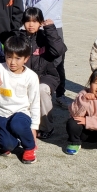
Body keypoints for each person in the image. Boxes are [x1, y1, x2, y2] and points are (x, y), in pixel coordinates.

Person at [20, 0, 83, 107]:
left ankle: (59, 93)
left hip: (55, 27)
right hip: (34, 27)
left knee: (58, 61)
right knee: (34, 60)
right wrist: (24, 27)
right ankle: (34, 91)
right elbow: (22, 5)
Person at [0, 35, 40, 164]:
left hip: (21, 113)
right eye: (9, 57)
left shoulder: (31, 76)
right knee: (7, 145)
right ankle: (11, 140)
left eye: (18, 58)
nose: (12, 62)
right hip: (0, 113)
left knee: (17, 124)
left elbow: (35, 102)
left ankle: (29, 147)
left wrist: (34, 127)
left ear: (26, 58)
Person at [20, 7, 66, 140]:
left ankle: (46, 127)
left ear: (40, 23)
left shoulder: (46, 37)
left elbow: (59, 50)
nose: (31, 24)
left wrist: (50, 29)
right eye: (28, 21)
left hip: (46, 76)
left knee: (41, 89)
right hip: (23, 76)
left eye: (35, 21)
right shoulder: (18, 37)